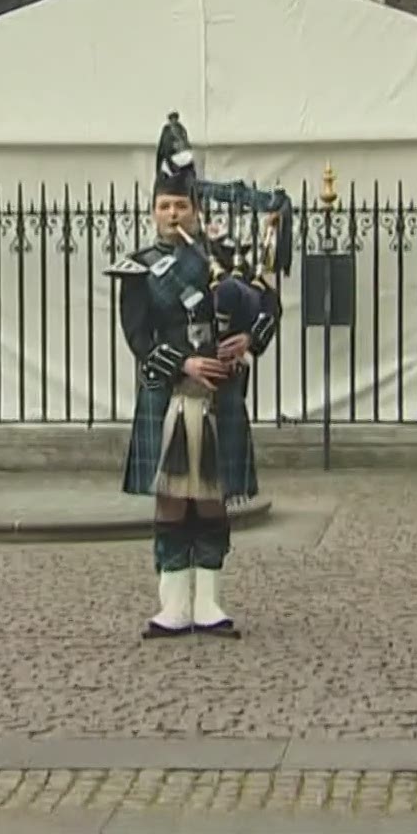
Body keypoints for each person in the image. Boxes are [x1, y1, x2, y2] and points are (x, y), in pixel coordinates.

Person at [107, 114, 285, 640]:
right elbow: (137, 338)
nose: (172, 213)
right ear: (152, 211)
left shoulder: (225, 260)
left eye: (180, 205)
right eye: (164, 206)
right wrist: (182, 362)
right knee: (169, 495)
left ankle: (208, 602)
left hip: (219, 393)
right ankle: (171, 604)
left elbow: (268, 307)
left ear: (195, 208)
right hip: (167, 391)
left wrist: (248, 340)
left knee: (211, 493)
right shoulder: (137, 267)